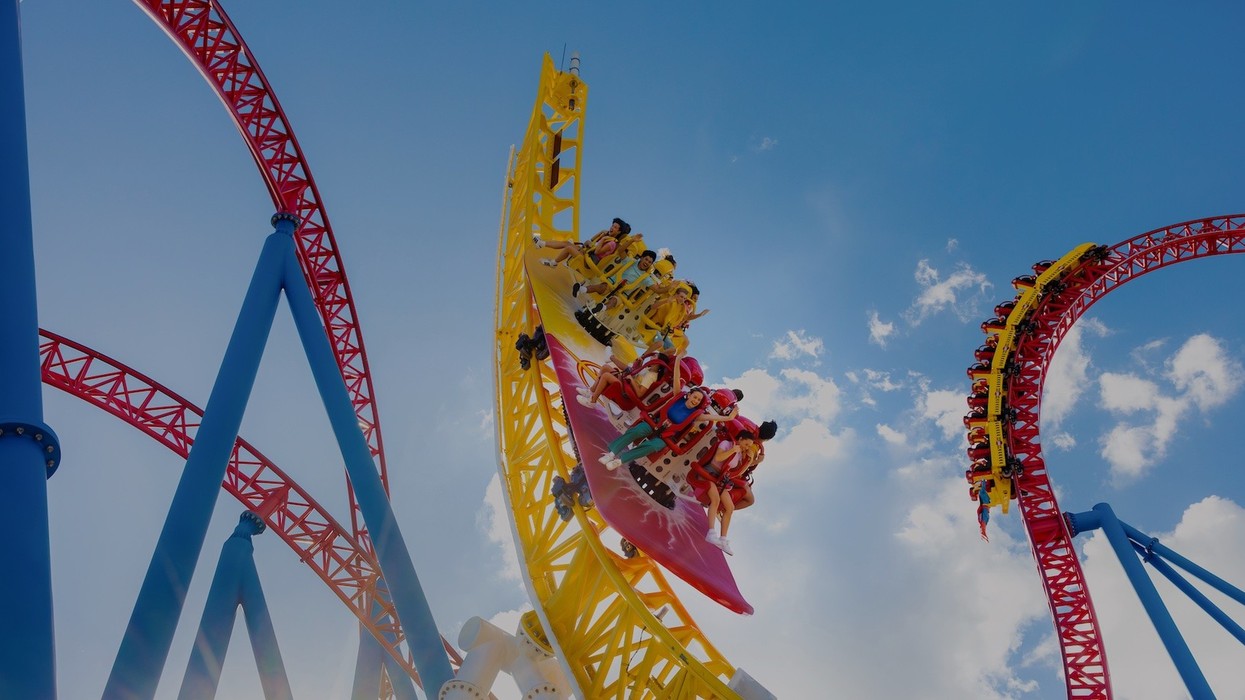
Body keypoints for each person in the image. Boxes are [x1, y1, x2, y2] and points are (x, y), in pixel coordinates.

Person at [599, 352, 737, 471]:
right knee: (637, 431)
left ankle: (620, 460)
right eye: (694, 397)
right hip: (656, 423)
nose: (695, 401)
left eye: (698, 400)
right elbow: (677, 377)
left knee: (653, 446)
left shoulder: (696, 414)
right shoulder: (678, 395)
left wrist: (729, 418)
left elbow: (715, 417)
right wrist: (678, 360)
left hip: (665, 436)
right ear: (689, 395)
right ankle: (611, 453)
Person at [695, 430, 756, 555]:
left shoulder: (739, 454)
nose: (746, 447)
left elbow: (736, 473)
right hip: (708, 473)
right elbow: (718, 457)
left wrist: (748, 461)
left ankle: (723, 540)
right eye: (746, 444)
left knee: (730, 507)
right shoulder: (726, 444)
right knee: (715, 500)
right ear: (740, 439)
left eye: (749, 446)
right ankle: (711, 533)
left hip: (719, 479)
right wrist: (733, 450)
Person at [534, 218, 630, 267]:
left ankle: (553, 263)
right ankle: (542, 244)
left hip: (589, 261)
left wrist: (603, 240)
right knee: (567, 243)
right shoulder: (605, 235)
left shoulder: (612, 243)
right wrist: (601, 235)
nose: (612, 228)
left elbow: (597, 252)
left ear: (618, 232)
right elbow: (591, 241)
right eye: (612, 226)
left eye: (615, 227)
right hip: (586, 253)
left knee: (569, 248)